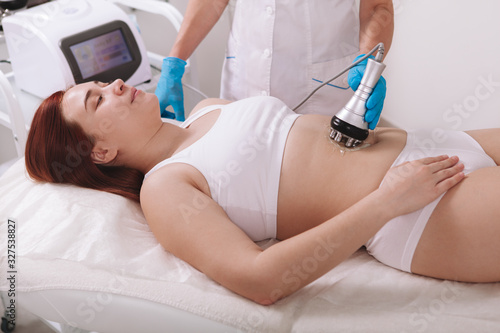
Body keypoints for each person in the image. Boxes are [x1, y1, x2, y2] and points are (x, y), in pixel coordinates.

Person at [25, 79, 500, 305]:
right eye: (97, 100)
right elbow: (258, 279)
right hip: (421, 210)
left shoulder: (208, 108)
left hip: (435, 146)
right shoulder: (167, 188)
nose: (116, 85)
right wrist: (386, 202)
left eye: (102, 84)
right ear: (101, 152)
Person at [155, 0, 393, 124]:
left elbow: (378, 6)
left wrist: (367, 62)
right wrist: (175, 62)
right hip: (244, 84)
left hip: (321, 95)